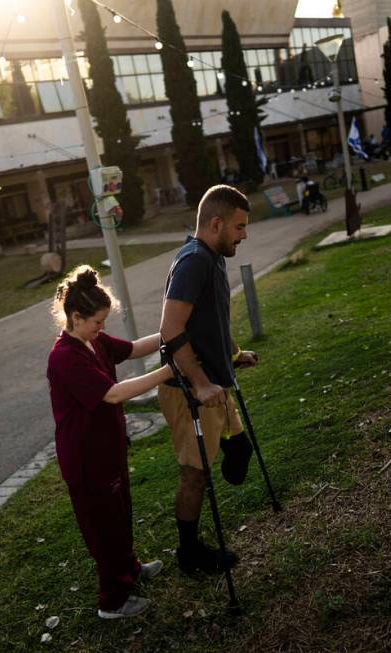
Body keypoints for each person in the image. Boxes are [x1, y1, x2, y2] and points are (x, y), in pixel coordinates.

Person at [46, 265, 173, 620]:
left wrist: (171, 336)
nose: (102, 328)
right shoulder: (64, 358)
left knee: (120, 516)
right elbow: (114, 394)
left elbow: (132, 349)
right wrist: (168, 370)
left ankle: (130, 570)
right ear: (76, 317)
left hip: (109, 448)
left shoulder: (93, 341)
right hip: (85, 458)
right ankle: (112, 601)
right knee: (104, 529)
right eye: (97, 321)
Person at [159, 184, 259, 575]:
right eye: (239, 226)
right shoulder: (193, 261)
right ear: (215, 223)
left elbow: (212, 319)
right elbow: (171, 328)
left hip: (215, 384)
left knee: (240, 451)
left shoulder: (215, 255)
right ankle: (189, 553)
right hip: (188, 390)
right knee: (195, 476)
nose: (244, 235)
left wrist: (234, 354)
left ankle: (225, 456)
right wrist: (200, 382)